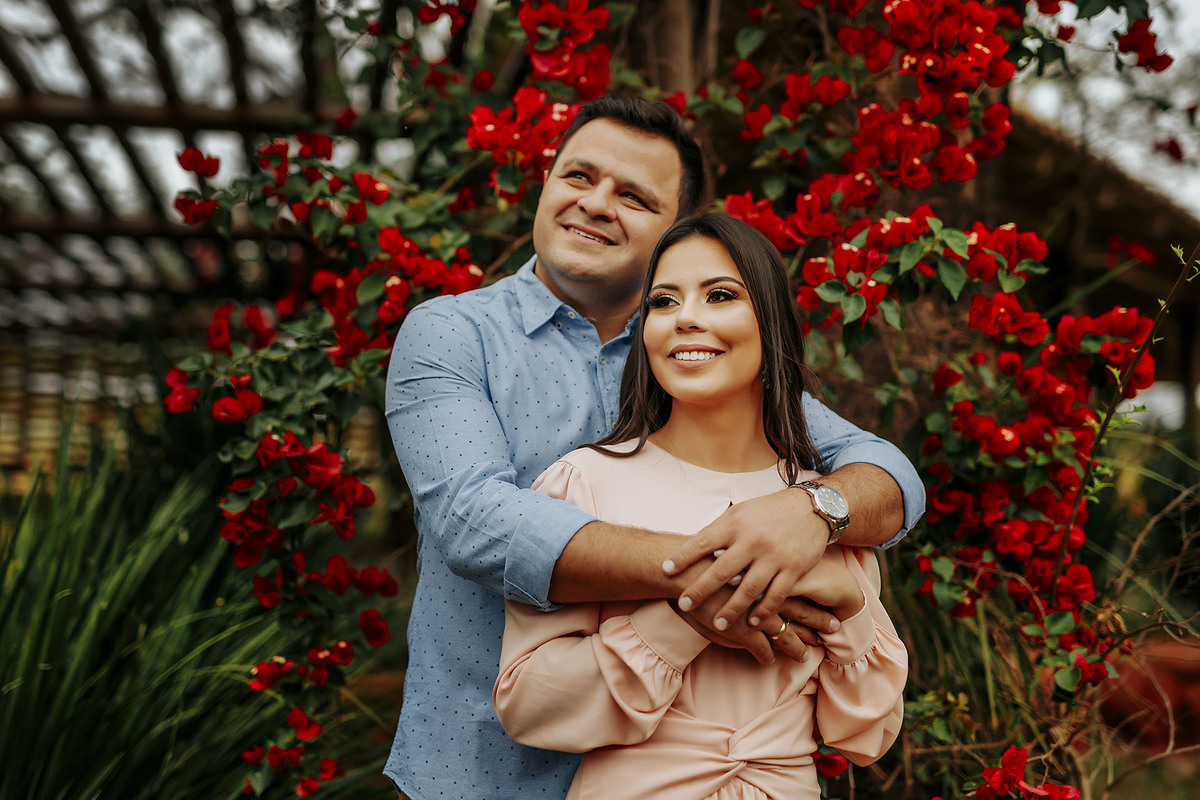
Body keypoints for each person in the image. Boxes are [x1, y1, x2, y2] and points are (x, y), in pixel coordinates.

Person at [383, 96, 923, 798]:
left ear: (676, 230)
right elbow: (474, 521)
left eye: (634, 196)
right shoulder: (453, 333)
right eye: (579, 176)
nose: (596, 203)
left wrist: (811, 512)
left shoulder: (700, 354)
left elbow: (886, 476)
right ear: (545, 183)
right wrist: (723, 576)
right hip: (485, 769)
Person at [493, 213, 908, 800]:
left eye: (719, 295)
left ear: (772, 322)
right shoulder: (584, 483)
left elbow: (868, 735)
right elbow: (529, 707)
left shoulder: (823, 508)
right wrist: (682, 619)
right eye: (663, 302)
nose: (685, 317)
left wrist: (852, 606)